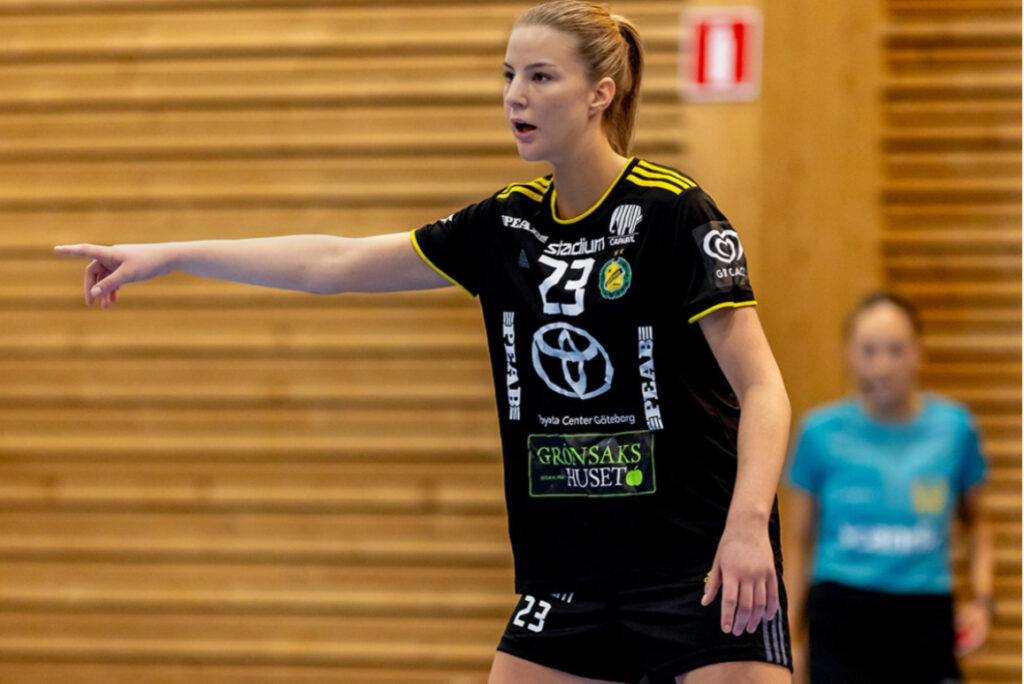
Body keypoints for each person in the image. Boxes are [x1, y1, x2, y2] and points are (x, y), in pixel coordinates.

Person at [55, 2, 793, 682]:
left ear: (600, 93)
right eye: (508, 75)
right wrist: (170, 254)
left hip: (697, 562)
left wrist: (747, 529)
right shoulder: (502, 225)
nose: (515, 96)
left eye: (541, 77)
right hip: (568, 573)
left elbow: (762, 388)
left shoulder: (673, 212)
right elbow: (333, 263)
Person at [785, 292, 994, 684]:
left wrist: (982, 601)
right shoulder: (819, 433)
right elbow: (798, 542)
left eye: (896, 350)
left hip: (926, 617)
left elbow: (978, 525)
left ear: (919, 353)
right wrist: (788, 639)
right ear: (849, 354)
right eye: (868, 350)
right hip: (840, 617)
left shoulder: (955, 429)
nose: (881, 366)